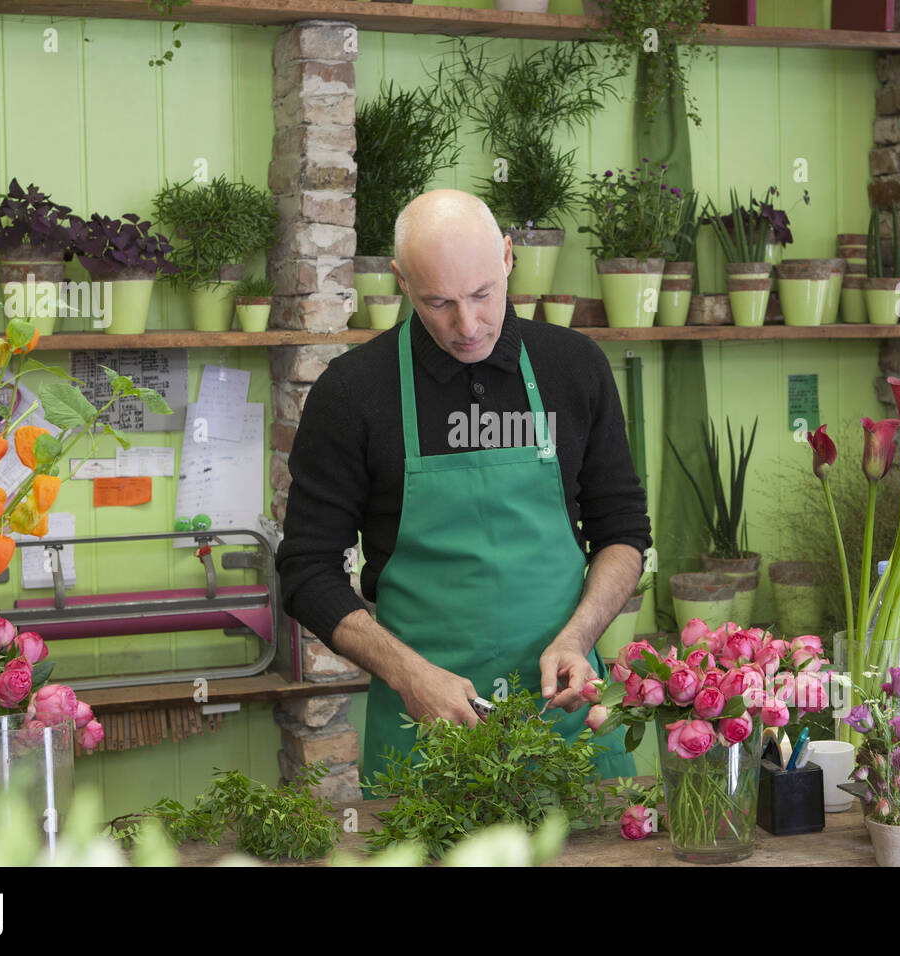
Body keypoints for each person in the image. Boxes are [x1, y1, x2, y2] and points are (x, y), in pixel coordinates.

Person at [276, 189, 650, 783]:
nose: (468, 325)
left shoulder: (574, 367)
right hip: (427, 729)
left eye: (482, 295)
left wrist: (579, 636)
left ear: (507, 257)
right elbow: (306, 571)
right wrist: (410, 676)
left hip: (569, 714)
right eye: (439, 303)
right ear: (400, 281)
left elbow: (624, 531)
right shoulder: (353, 391)